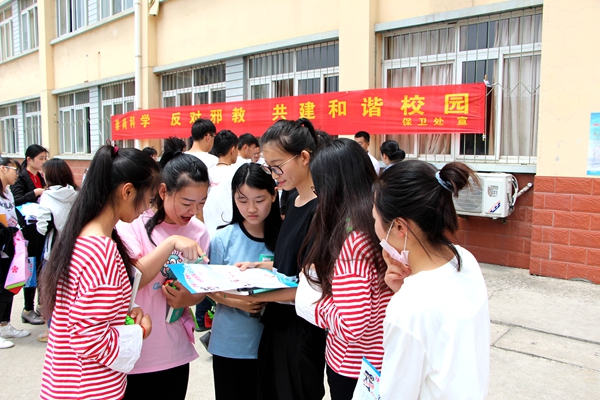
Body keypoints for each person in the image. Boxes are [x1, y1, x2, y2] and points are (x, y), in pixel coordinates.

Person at [39, 145, 158, 400]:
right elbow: (88, 339)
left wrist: (122, 313)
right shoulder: (102, 251)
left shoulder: (82, 235)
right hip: (89, 389)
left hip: (65, 381)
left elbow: (82, 315)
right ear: (127, 191)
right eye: (149, 197)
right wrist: (140, 331)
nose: (148, 207)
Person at [373, 161, 490, 400]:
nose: (374, 225)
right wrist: (405, 288)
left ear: (398, 227)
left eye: (375, 218)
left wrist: (405, 295)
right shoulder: (465, 260)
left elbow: (395, 394)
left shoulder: (410, 306)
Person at [295, 139, 393, 400]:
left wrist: (315, 305)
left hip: (353, 366)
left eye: (319, 189)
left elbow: (352, 326)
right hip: (381, 355)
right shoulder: (378, 223)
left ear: (333, 187)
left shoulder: (352, 240)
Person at [237, 118, 327, 400]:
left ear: (304, 158)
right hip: (277, 321)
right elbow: (289, 264)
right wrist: (258, 267)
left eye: (277, 166)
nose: (274, 174)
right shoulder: (293, 200)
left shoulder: (321, 210)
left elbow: (312, 286)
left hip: (300, 329)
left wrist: (258, 293)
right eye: (269, 166)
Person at [116, 138, 210, 399]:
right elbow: (135, 279)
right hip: (138, 348)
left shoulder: (199, 231)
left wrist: (190, 297)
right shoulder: (132, 222)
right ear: (163, 191)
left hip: (174, 350)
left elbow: (201, 286)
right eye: (187, 202)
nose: (193, 211)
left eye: (201, 203)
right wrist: (170, 243)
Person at [207, 163, 282, 400]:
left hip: (273, 345)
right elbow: (209, 288)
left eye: (259, 200)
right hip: (231, 344)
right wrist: (238, 302)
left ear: (273, 195)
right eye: (242, 200)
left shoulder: (284, 237)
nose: (251, 208)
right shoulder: (222, 238)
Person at [35, 158, 79, 343]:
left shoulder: (46, 196)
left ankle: (53, 332)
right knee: (71, 294)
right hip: (75, 250)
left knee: (51, 295)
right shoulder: (77, 194)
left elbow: (42, 228)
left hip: (52, 253)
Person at [11, 144, 48, 325]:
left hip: (39, 229)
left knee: (40, 266)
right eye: (40, 158)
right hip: (27, 230)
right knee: (31, 267)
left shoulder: (40, 176)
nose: (43, 162)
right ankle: (27, 308)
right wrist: (34, 193)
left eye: (44, 158)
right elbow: (16, 200)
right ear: (29, 160)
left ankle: (41, 304)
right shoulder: (21, 178)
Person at [0, 157, 30, 349]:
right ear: (3, 169)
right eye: (14, 170)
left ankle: (5, 324)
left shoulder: (7, 193)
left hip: (12, 243)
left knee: (9, 285)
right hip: (2, 242)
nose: (16, 175)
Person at [203, 130, 239, 238]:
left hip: (208, 233)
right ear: (233, 149)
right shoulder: (236, 174)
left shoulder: (207, 173)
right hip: (229, 233)